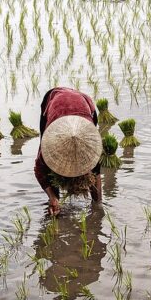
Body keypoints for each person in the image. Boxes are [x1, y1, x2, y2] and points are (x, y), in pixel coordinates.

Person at [34, 87, 103, 216]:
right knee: (49, 168)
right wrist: (52, 197)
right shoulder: (49, 145)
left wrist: (98, 205)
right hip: (55, 100)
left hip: (84, 102)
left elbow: (96, 173)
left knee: (92, 167)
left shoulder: (92, 147)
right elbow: (39, 170)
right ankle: (55, 202)